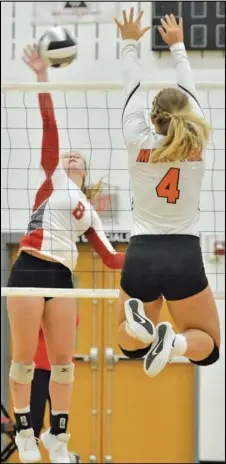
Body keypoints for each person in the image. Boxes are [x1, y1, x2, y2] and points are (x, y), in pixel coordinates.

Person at [7, 43, 124, 463]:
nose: (72, 154)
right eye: (69, 153)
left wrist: (156, 251)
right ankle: (23, 431)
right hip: (29, 267)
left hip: (63, 277)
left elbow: (112, 259)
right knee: (23, 360)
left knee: (63, 364)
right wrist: (41, 76)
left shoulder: (89, 211)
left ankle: (58, 436)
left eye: (79, 157)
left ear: (85, 172)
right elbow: (49, 121)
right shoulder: (53, 176)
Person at [114, 9, 220, 377]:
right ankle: (175, 342)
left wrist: (129, 41)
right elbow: (189, 90)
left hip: (142, 251)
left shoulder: (136, 138)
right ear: (187, 116)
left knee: (126, 346)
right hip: (183, 254)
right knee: (207, 348)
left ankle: (141, 329)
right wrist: (178, 47)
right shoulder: (199, 141)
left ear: (153, 117)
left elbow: (130, 84)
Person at [31, 328, 81, 463]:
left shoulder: (70, 307)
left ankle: (59, 450)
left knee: (60, 417)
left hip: (61, 364)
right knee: (35, 417)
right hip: (39, 365)